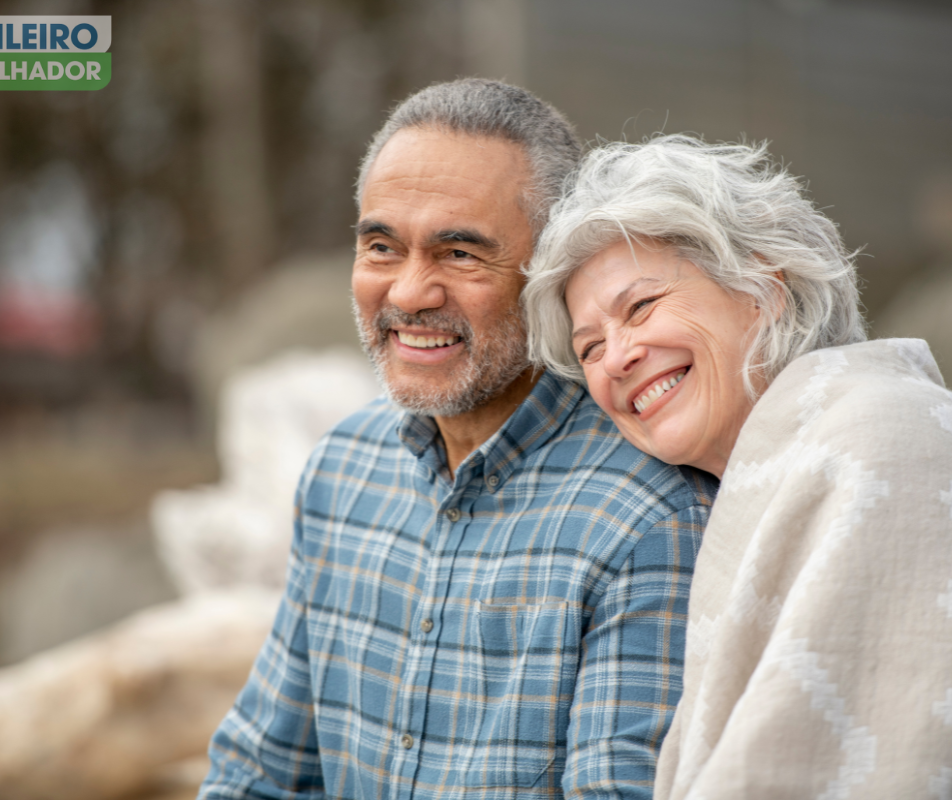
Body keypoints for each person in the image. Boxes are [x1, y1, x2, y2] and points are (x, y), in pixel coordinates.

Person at [199, 80, 718, 799]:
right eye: (382, 246)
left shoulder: (649, 516)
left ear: (553, 273)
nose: (409, 293)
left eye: (460, 254)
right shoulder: (343, 468)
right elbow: (260, 773)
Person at [523, 134, 952, 799]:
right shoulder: (782, 461)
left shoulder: (886, 443)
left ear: (764, 287)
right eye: (589, 348)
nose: (616, 358)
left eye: (639, 308)